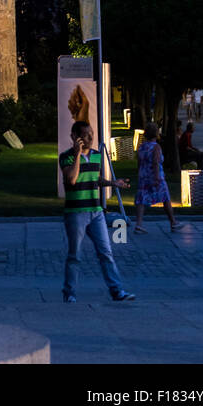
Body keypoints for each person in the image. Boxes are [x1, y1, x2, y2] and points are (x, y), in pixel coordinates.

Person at [59, 121, 135, 303]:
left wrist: (112, 183)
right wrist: (77, 155)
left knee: (106, 252)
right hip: (76, 213)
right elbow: (72, 179)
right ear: (75, 137)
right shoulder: (66, 157)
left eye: (91, 133)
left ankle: (117, 291)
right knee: (75, 255)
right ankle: (69, 292)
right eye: (85, 135)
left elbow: (94, 179)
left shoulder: (96, 156)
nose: (90, 137)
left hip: (96, 212)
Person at [134, 123, 178, 232]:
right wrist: (157, 177)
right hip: (155, 176)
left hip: (143, 176)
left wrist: (139, 173)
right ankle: (173, 222)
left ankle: (139, 224)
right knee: (165, 198)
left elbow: (139, 162)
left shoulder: (142, 146)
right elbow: (155, 162)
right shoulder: (156, 147)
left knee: (141, 200)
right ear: (156, 133)